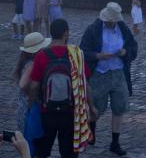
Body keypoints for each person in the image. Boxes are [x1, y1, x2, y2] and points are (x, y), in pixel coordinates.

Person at [29, 19, 96, 158]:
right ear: (66, 34)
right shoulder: (76, 54)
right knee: (69, 153)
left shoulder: (42, 55)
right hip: (70, 112)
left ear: (51, 34)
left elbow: (34, 86)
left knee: (42, 151)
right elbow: (85, 84)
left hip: (47, 111)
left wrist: (32, 106)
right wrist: (92, 107)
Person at [80, 2, 138, 156]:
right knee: (96, 108)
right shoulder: (93, 30)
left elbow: (133, 47)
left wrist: (125, 52)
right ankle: (91, 131)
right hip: (100, 73)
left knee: (119, 107)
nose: (111, 22)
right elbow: (83, 51)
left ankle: (115, 142)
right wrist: (98, 56)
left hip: (119, 73)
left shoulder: (123, 29)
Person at [13, 33, 51, 135]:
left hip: (23, 107)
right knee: (31, 140)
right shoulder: (32, 64)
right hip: (29, 108)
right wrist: (32, 95)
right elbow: (22, 84)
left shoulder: (24, 61)